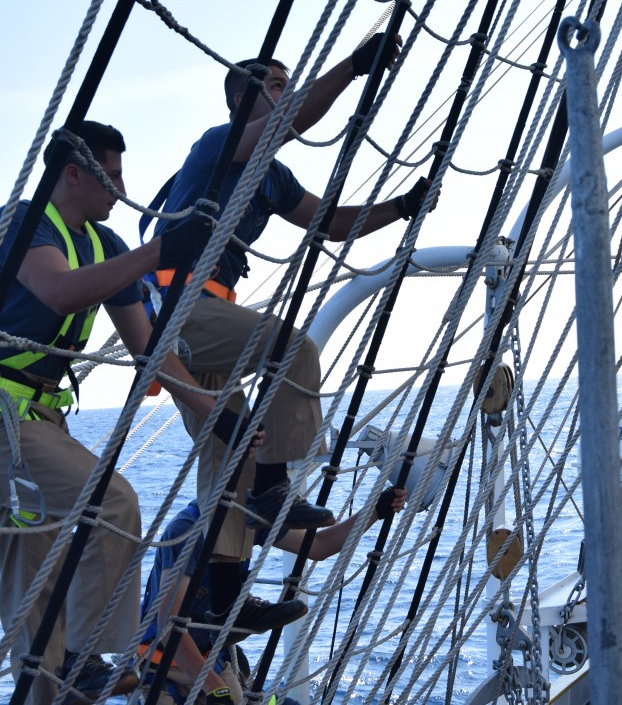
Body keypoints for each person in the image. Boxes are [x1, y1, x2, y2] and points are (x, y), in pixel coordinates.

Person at [150, 39, 436, 631]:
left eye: (288, 85)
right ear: (240, 100)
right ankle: (274, 485)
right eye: (277, 86)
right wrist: (353, 67)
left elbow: (331, 222)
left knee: (229, 454)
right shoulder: (218, 145)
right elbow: (288, 122)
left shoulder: (273, 177)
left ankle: (226, 599)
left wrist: (403, 205)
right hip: (181, 308)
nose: (287, 94)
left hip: (207, 317)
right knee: (293, 349)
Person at [0, 121, 223, 703]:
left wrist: (214, 410)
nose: (122, 191)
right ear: (74, 173)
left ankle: (57, 685)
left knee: (34, 583)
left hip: (38, 419)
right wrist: (159, 251)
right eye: (111, 177)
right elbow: (58, 290)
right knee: (112, 502)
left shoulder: (107, 246)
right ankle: (82, 656)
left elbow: (149, 347)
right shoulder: (21, 222)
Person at [137, 485, 407, 703]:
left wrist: (375, 510)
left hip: (211, 657)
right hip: (162, 663)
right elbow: (169, 627)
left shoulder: (248, 519)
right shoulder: (187, 530)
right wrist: (216, 688)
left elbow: (318, 546)